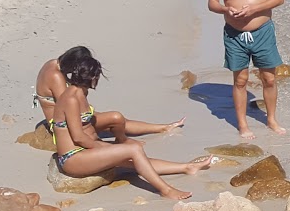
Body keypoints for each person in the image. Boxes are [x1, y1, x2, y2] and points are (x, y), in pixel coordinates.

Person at [43, 47, 213, 200]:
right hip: (73, 158)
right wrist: (108, 148)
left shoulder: (81, 91)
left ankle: (187, 167)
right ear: (92, 77)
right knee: (133, 149)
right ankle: (166, 190)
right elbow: (79, 137)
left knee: (137, 159)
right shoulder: (71, 98)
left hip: (85, 151)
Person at [208, 0, 287, 140]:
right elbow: (212, 3)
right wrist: (226, 9)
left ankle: (271, 119)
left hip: (262, 31)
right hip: (234, 34)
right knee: (240, 80)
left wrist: (254, 8)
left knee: (269, 78)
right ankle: (242, 125)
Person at [32, 46, 184, 143]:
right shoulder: (56, 77)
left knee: (117, 119)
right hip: (62, 124)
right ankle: (157, 129)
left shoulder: (53, 63)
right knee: (116, 119)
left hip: (68, 116)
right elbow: (68, 105)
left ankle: (160, 127)